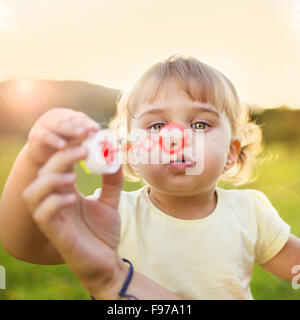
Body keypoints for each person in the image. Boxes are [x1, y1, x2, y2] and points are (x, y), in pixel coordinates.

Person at [0, 54, 299, 300]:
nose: (175, 138)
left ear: (231, 153)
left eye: (199, 124)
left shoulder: (250, 212)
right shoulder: (116, 215)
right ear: (131, 154)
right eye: (156, 126)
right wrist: (34, 157)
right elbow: (26, 246)